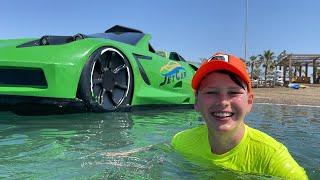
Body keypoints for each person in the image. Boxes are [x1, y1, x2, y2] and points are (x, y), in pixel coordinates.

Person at [172, 53, 308, 179]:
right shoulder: (180, 142)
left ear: (249, 102)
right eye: (211, 92)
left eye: (233, 92)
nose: (223, 102)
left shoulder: (273, 159)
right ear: (196, 103)